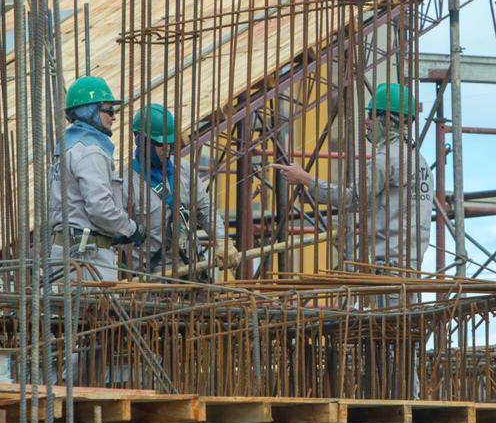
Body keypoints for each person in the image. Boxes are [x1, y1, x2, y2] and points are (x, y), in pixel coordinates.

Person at [269, 82, 434, 275]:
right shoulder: (420, 162)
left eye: (371, 116)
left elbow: (352, 199)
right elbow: (382, 204)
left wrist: (305, 179)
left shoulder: (385, 159)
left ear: (387, 118)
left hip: (388, 269)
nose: (366, 122)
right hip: (411, 269)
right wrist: (316, 194)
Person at [124, 102, 241, 278]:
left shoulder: (183, 170)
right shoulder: (126, 182)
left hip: (192, 268)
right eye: (161, 144)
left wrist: (221, 239)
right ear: (141, 140)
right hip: (152, 279)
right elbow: (115, 231)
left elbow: (204, 208)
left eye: (170, 143)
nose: (167, 149)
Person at [48, 75, 147, 283]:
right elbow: (100, 207)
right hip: (87, 259)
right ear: (89, 111)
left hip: (68, 251)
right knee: (96, 314)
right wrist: (130, 229)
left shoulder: (67, 148)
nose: (113, 117)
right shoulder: (91, 151)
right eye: (108, 110)